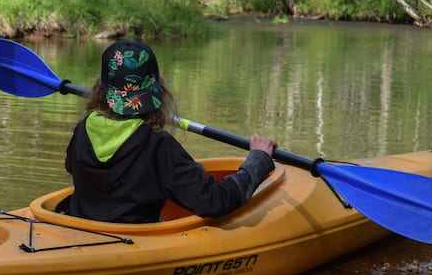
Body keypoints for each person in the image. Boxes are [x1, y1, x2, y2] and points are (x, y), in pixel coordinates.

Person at [64, 39, 277, 223]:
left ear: (101, 90)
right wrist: (258, 159)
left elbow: (73, 168)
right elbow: (215, 201)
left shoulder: (83, 130)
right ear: (156, 91)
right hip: (134, 242)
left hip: (83, 231)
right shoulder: (158, 146)